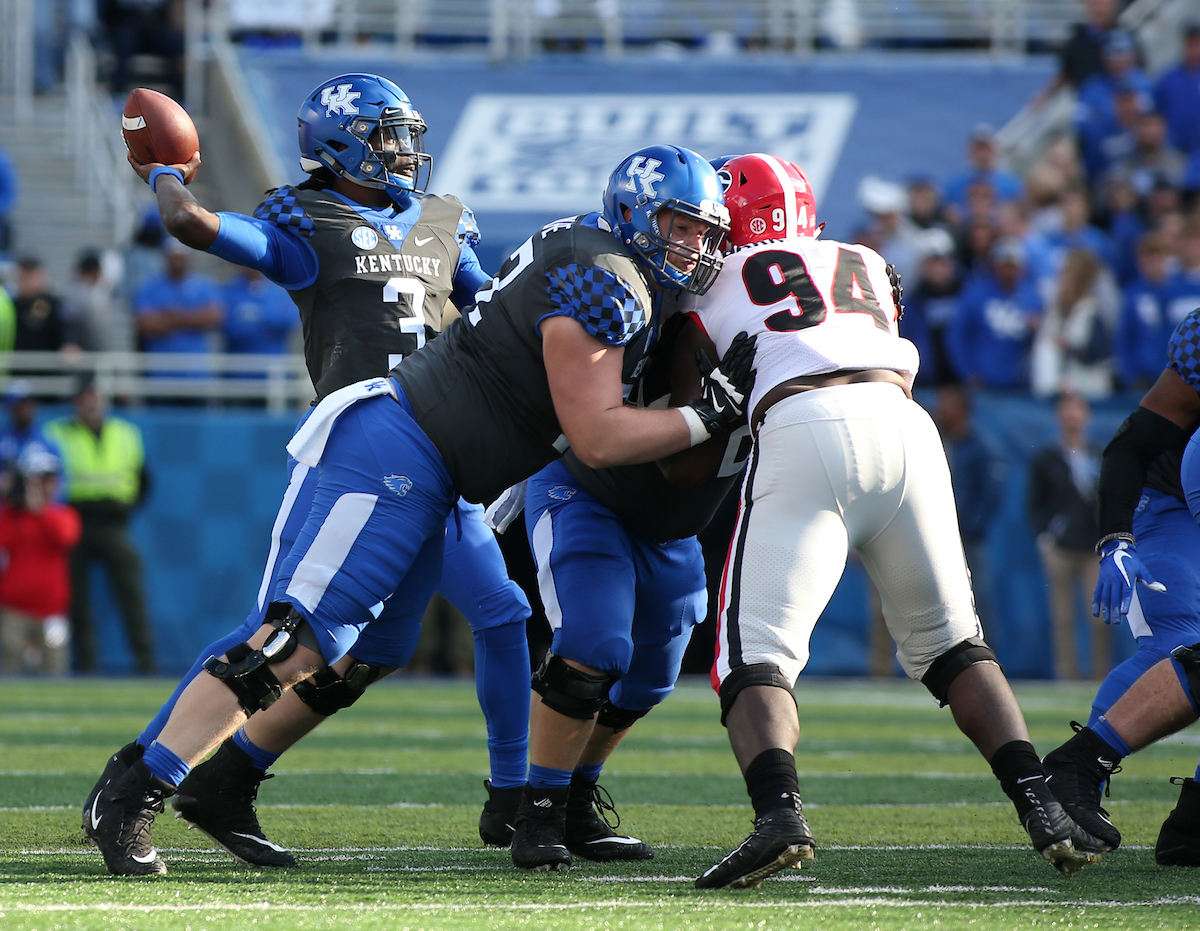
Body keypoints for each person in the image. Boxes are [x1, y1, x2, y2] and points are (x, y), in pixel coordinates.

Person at [83, 96, 743, 878]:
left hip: (436, 463)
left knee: (370, 642)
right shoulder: (609, 279)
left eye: (707, 232)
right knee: (292, 640)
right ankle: (137, 791)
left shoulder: (580, 254)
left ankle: (227, 781)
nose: (696, 247)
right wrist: (707, 415)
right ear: (636, 216)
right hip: (397, 446)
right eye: (681, 226)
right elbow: (597, 436)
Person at [81, 73, 535, 871]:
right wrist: (165, 174)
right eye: (386, 134)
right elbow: (193, 225)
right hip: (369, 446)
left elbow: (495, 310)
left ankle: (509, 795)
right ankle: (141, 773)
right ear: (337, 142)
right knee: (288, 634)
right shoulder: (307, 217)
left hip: (449, 455)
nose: (404, 151)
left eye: (405, 134)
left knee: (456, 622)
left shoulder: (443, 219)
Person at [685, 153, 1105, 891]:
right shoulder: (868, 261)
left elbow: (693, 392)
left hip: (804, 419)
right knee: (952, 641)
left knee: (753, 653)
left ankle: (779, 814)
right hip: (905, 426)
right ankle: (1041, 803)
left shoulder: (711, 279)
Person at [509, 295, 753, 871]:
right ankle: (539, 807)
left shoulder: (770, 325)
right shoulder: (629, 304)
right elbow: (679, 463)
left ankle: (573, 799)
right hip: (590, 492)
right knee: (594, 647)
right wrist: (711, 411)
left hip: (670, 527)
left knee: (649, 679)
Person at [1042, 308, 1200, 856]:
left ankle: (1194, 819)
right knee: (1177, 642)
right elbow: (1132, 443)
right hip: (1175, 496)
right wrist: (1116, 539)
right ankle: (1078, 775)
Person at [44, 375, 155, 674]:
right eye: (84, 397)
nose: (89, 403)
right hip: (73, 520)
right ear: (75, 402)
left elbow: (143, 480)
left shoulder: (125, 433)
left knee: (130, 593)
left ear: (103, 401)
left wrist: (125, 509)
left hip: (113, 521)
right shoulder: (57, 433)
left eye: (93, 397)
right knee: (76, 598)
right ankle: (86, 665)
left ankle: (145, 662)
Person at [1028, 393, 1108, 681]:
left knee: (1098, 619)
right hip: (1060, 547)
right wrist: (1046, 535)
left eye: (1078, 410)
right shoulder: (1048, 458)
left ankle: (1100, 676)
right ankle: (1068, 676)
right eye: (1067, 410)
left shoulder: (1098, 456)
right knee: (1063, 619)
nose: (1072, 416)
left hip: (1092, 548)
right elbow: (1035, 503)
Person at [0, 447, 80, 674]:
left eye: (51, 479)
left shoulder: (63, 514)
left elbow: (66, 537)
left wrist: (39, 509)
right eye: (42, 479)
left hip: (53, 612)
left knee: (55, 665)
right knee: (11, 667)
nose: (49, 485)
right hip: (15, 611)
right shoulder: (12, 516)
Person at [932, 385, 1004, 632]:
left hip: (968, 540)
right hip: (934, 538)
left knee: (977, 601)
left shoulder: (980, 446)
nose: (939, 410)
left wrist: (970, 527)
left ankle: (987, 662)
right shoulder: (933, 441)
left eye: (946, 405)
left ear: (962, 410)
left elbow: (990, 493)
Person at [947, 237, 1043, 391]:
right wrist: (967, 372)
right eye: (1004, 266)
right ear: (995, 266)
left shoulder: (1033, 297)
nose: (1008, 271)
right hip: (982, 384)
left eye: (1013, 266)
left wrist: (1038, 329)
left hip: (1020, 386)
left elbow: (1042, 341)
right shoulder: (976, 294)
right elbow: (957, 335)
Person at [132, 237, 223, 372]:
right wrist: (193, 317)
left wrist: (171, 317)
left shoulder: (204, 286)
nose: (177, 261)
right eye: (174, 256)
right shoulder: (149, 287)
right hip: (160, 371)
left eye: (181, 256)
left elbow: (215, 317)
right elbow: (145, 324)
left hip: (196, 371)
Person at [219, 266, 297, 360]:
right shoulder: (229, 291)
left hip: (273, 359)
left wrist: (256, 317)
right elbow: (228, 326)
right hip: (239, 360)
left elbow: (288, 321)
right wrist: (262, 323)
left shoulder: (278, 291)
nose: (252, 266)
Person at [1154, 21, 1200, 157]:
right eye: (1190, 43)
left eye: (1197, 43)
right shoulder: (1167, 79)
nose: (1194, 48)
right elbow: (1157, 114)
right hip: (1177, 153)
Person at [12, 257, 73, 353]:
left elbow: (65, 331)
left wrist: (68, 345)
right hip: (17, 364)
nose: (27, 281)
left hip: (46, 365)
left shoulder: (53, 304)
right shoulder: (12, 305)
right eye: (24, 275)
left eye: (31, 275)